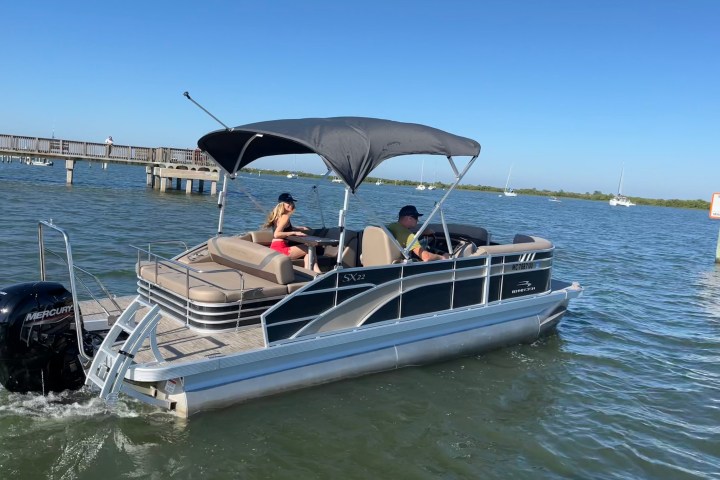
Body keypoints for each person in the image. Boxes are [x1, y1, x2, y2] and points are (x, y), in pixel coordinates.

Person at [263, 192, 320, 272]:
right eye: (288, 202)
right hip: (280, 248)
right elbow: (277, 234)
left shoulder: (278, 216)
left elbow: (286, 228)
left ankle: (311, 272)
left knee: (309, 251)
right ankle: (315, 273)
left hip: (275, 247)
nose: (291, 204)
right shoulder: (285, 217)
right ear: (282, 204)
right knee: (310, 248)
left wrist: (302, 228)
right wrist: (294, 233)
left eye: (291, 202)